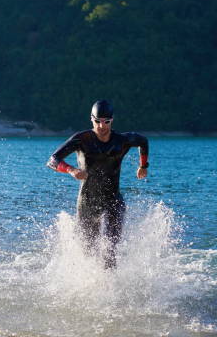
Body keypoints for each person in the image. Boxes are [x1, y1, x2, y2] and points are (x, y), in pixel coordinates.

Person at [46, 100, 149, 268]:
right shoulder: (81, 139)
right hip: (87, 202)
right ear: (91, 119)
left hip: (113, 200)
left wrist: (143, 165)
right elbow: (52, 160)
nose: (102, 126)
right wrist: (71, 170)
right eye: (97, 121)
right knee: (88, 252)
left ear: (112, 120)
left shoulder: (121, 140)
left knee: (110, 252)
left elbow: (143, 141)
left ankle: (111, 289)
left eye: (106, 122)